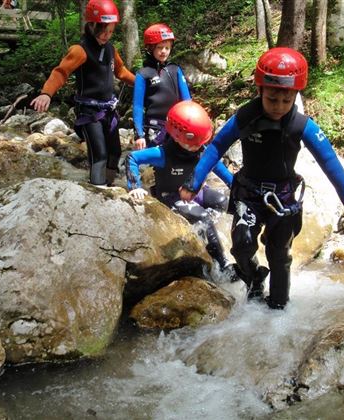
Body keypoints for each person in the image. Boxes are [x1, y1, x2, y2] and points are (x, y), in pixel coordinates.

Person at [179, 48, 344, 310]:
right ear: (260, 91)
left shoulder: (302, 125)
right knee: (242, 245)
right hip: (250, 194)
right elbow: (215, 147)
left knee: (279, 255)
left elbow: (329, 162)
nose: (279, 107)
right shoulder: (246, 117)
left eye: (286, 101)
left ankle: (279, 305)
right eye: (272, 99)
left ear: (295, 96)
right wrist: (193, 182)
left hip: (284, 198)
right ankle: (255, 278)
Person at [31, 0, 135, 186]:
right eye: (103, 30)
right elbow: (61, 72)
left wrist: (141, 83)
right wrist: (46, 93)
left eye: (110, 31)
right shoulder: (80, 50)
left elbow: (121, 72)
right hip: (89, 114)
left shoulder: (111, 49)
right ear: (91, 25)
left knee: (115, 153)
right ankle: (97, 189)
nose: (106, 35)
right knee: (100, 155)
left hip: (108, 112)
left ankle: (109, 187)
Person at [126, 100, 234, 271]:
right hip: (171, 196)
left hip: (197, 192)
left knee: (225, 203)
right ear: (178, 137)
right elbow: (132, 158)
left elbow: (222, 172)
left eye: (201, 143)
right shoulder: (163, 154)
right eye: (195, 143)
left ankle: (220, 240)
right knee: (203, 217)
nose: (199, 146)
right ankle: (223, 264)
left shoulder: (201, 150)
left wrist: (240, 189)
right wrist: (135, 186)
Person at [132, 23, 191, 150]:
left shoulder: (175, 69)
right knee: (156, 168)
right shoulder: (143, 74)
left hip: (177, 127)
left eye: (167, 48)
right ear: (150, 48)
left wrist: (192, 122)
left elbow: (187, 101)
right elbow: (137, 106)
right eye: (160, 47)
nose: (164, 51)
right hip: (154, 129)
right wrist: (139, 134)